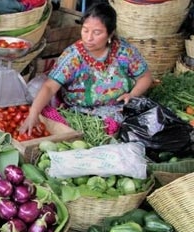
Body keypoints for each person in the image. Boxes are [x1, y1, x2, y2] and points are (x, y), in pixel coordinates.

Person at [20, 2, 153, 134]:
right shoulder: (73, 56)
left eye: (97, 32)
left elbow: (145, 77)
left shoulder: (124, 52)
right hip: (79, 111)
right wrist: (33, 114)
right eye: (85, 30)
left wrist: (132, 95)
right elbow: (49, 86)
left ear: (110, 34)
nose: (89, 38)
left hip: (118, 108)